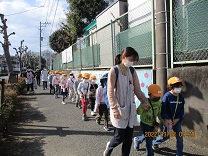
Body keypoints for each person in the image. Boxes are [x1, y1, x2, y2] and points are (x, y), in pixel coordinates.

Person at [103, 47, 148, 156]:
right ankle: (110, 146)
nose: (132, 62)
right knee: (119, 137)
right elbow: (110, 92)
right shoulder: (114, 70)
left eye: (133, 60)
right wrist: (114, 109)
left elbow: (137, 89)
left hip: (130, 109)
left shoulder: (132, 71)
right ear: (124, 57)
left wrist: (144, 101)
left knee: (128, 139)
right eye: (131, 59)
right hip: (118, 108)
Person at [134, 84, 163, 155]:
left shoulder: (159, 103)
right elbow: (138, 112)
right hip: (144, 124)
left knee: (148, 137)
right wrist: (142, 107)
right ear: (149, 94)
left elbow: (159, 114)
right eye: (155, 95)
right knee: (149, 142)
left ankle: (137, 140)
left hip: (152, 124)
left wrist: (164, 121)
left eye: (158, 95)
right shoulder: (145, 102)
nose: (157, 97)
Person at [161, 76, 185, 156]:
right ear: (171, 87)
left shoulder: (181, 97)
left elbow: (182, 110)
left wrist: (177, 119)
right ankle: (154, 143)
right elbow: (163, 109)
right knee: (165, 137)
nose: (179, 87)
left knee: (180, 138)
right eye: (177, 85)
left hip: (177, 121)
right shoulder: (167, 96)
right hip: (168, 121)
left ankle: (179, 154)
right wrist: (167, 120)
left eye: (180, 85)